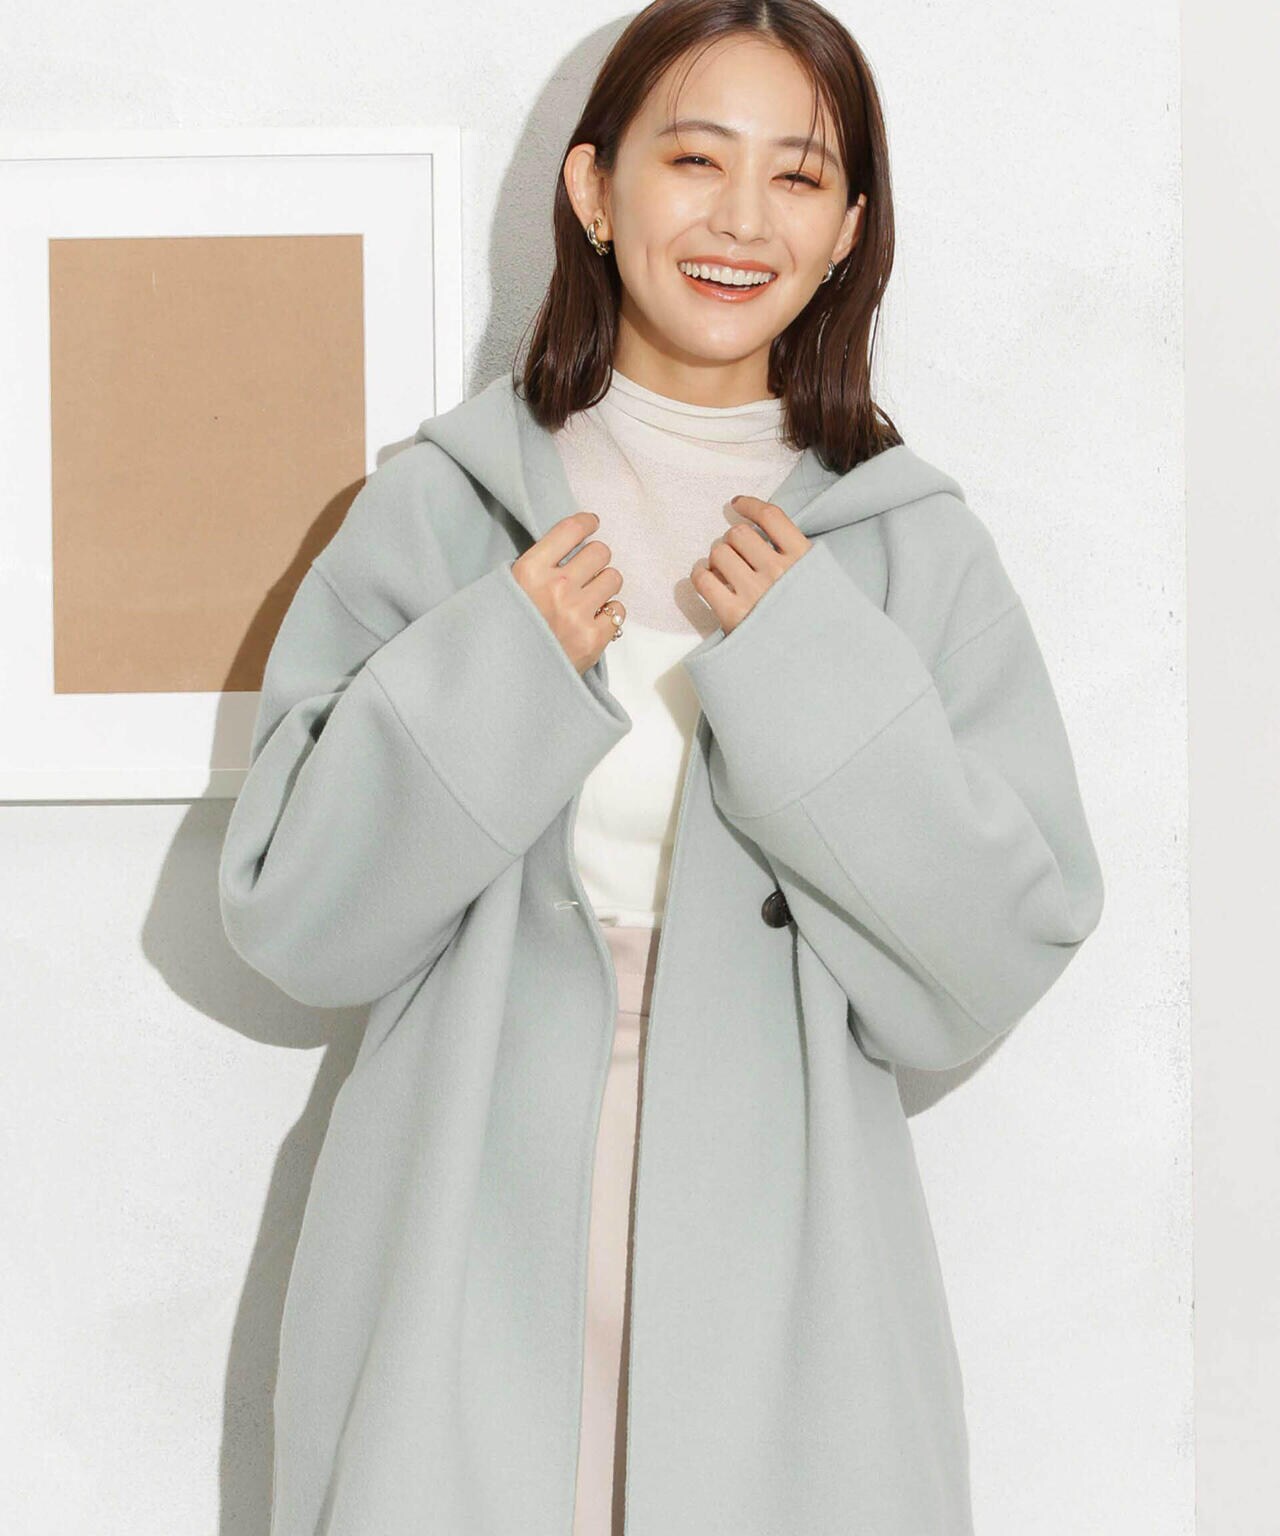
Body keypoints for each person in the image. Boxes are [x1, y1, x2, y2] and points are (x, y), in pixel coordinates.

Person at [218, 3, 1106, 1533]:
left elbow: (988, 967)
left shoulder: (910, 547)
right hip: (456, 1225)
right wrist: (498, 664)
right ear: (593, 188)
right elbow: (294, 922)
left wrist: (813, 678)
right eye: (694, 159)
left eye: (797, 176)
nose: (741, 219)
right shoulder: (443, 509)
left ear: (848, 230)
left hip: (791, 1250)